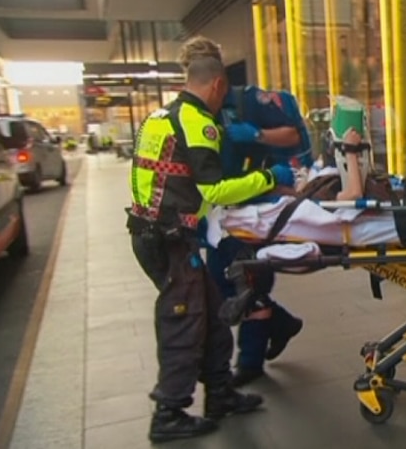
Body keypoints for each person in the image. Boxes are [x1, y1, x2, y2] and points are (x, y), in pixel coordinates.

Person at [126, 37, 296, 443]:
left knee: (213, 315)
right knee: (183, 323)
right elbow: (213, 189)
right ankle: (168, 412)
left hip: (160, 234)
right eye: (225, 94)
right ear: (218, 85)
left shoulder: (161, 117)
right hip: (168, 240)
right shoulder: (197, 121)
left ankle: (219, 393)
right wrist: (271, 179)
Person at [174, 36, 308, 387]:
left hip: (254, 205)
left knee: (243, 279)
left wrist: (257, 134)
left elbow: (292, 135)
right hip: (218, 211)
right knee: (225, 282)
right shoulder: (197, 111)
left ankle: (249, 361)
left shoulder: (249, 101)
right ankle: (280, 324)